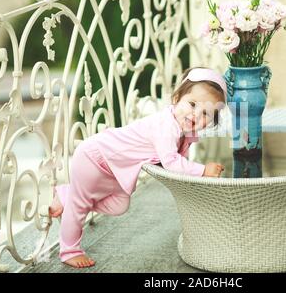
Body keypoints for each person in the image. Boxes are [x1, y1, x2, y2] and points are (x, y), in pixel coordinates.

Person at [48, 67, 227, 268]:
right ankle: (69, 250)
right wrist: (203, 170)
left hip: (113, 169)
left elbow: (175, 159)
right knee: (79, 206)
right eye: (192, 104)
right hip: (95, 158)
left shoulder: (183, 129)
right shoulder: (165, 126)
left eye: (206, 114)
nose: (196, 115)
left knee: (119, 205)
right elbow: (170, 162)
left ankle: (66, 195)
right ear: (177, 98)